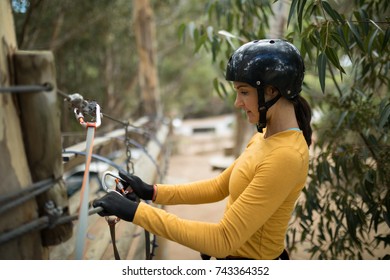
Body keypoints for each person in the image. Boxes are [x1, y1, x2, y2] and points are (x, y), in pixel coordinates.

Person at [93, 39, 312, 260]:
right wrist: (152, 191)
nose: (237, 102)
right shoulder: (263, 138)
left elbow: (223, 240)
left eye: (244, 92)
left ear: (272, 91)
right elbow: (218, 186)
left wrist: (136, 212)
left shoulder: (286, 156)